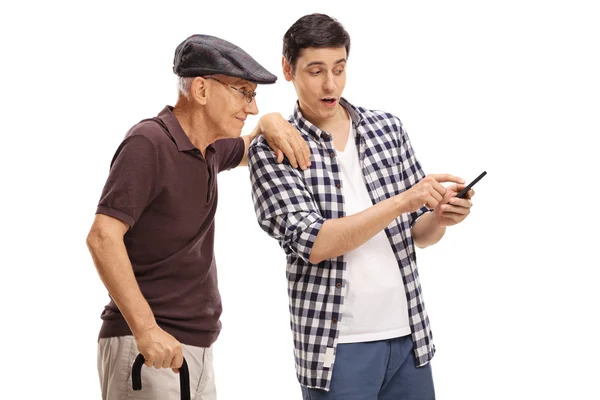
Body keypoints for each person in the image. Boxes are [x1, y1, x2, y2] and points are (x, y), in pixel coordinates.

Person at [248, 14, 476, 399]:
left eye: (339, 68)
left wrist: (440, 216)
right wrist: (405, 200)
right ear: (288, 69)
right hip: (336, 349)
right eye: (316, 71)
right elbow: (314, 243)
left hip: (409, 337)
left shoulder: (387, 129)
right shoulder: (273, 150)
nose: (330, 84)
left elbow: (418, 233)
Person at [86, 34, 310, 400]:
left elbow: (251, 144)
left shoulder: (208, 150)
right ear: (202, 90)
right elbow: (102, 237)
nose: (251, 108)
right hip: (150, 347)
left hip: (196, 349)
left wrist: (270, 121)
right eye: (244, 92)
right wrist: (146, 330)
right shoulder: (149, 143)